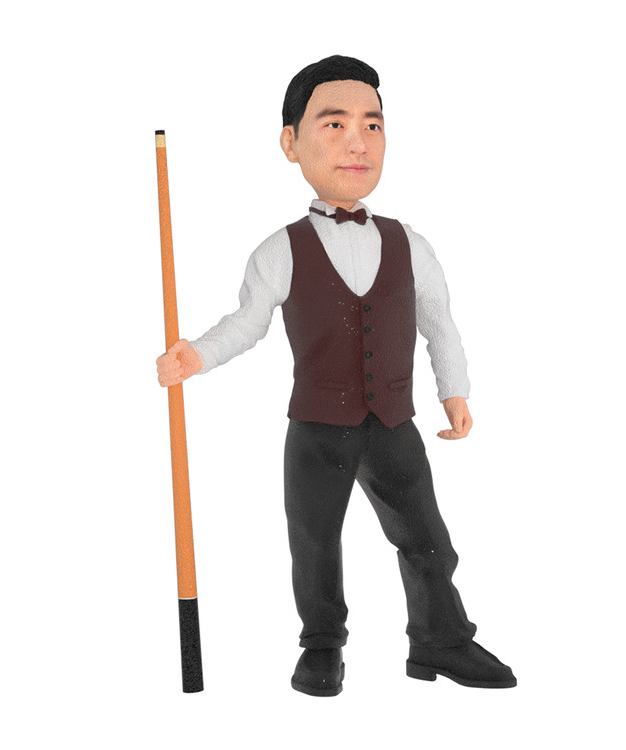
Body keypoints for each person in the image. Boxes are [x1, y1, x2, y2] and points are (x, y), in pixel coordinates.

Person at [157, 55, 516, 696]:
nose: (357, 141)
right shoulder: (280, 249)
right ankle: (322, 646)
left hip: (394, 422)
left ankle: (440, 639)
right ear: (290, 143)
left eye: (372, 125)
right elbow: (246, 324)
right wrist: (197, 355)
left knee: (427, 537)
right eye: (333, 124)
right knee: (315, 540)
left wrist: (455, 392)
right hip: (318, 426)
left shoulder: (411, 243)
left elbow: (440, 323)